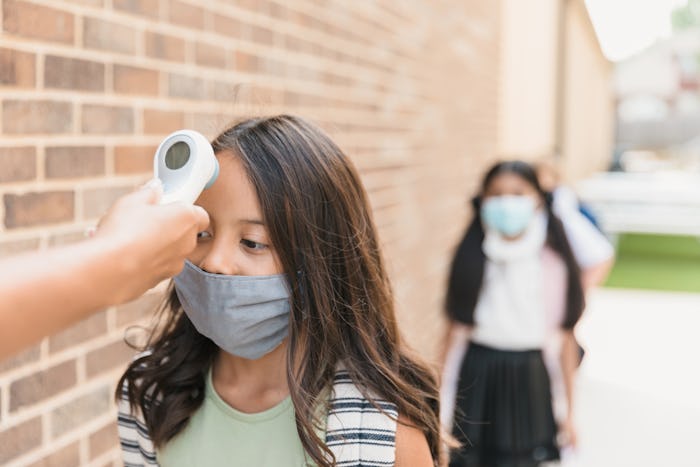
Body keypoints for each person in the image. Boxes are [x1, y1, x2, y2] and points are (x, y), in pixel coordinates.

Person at [116, 115, 442, 467]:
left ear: (320, 263)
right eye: (201, 234)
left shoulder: (382, 429)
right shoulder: (151, 390)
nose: (215, 262)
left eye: (253, 243)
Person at [441, 161, 585, 467]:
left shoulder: (552, 260)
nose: (507, 203)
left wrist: (569, 412)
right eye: (496, 194)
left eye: (518, 193)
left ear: (537, 198)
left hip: (530, 373)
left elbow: (566, 338)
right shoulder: (473, 254)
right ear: (482, 200)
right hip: (477, 373)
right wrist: (439, 406)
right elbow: (452, 337)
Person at [0, 180, 209, 360]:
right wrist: (118, 256)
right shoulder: (149, 380)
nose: (215, 264)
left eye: (244, 241)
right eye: (201, 235)